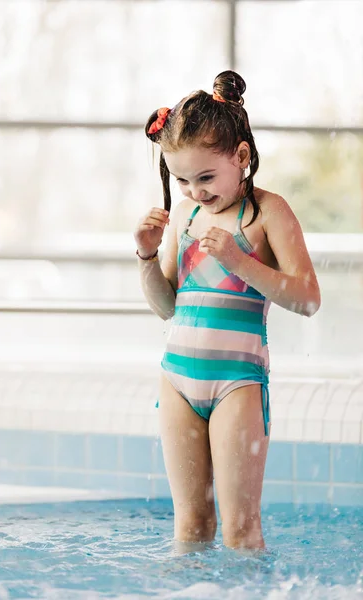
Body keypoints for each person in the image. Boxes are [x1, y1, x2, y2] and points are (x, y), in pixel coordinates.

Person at [134, 70, 321, 551]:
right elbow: (166, 308)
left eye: (206, 177)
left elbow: (307, 298)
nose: (195, 191)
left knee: (240, 530)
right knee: (191, 527)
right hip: (177, 380)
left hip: (237, 382)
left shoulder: (268, 212)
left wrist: (240, 261)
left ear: (241, 157)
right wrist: (147, 256)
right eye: (181, 179)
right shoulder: (185, 215)